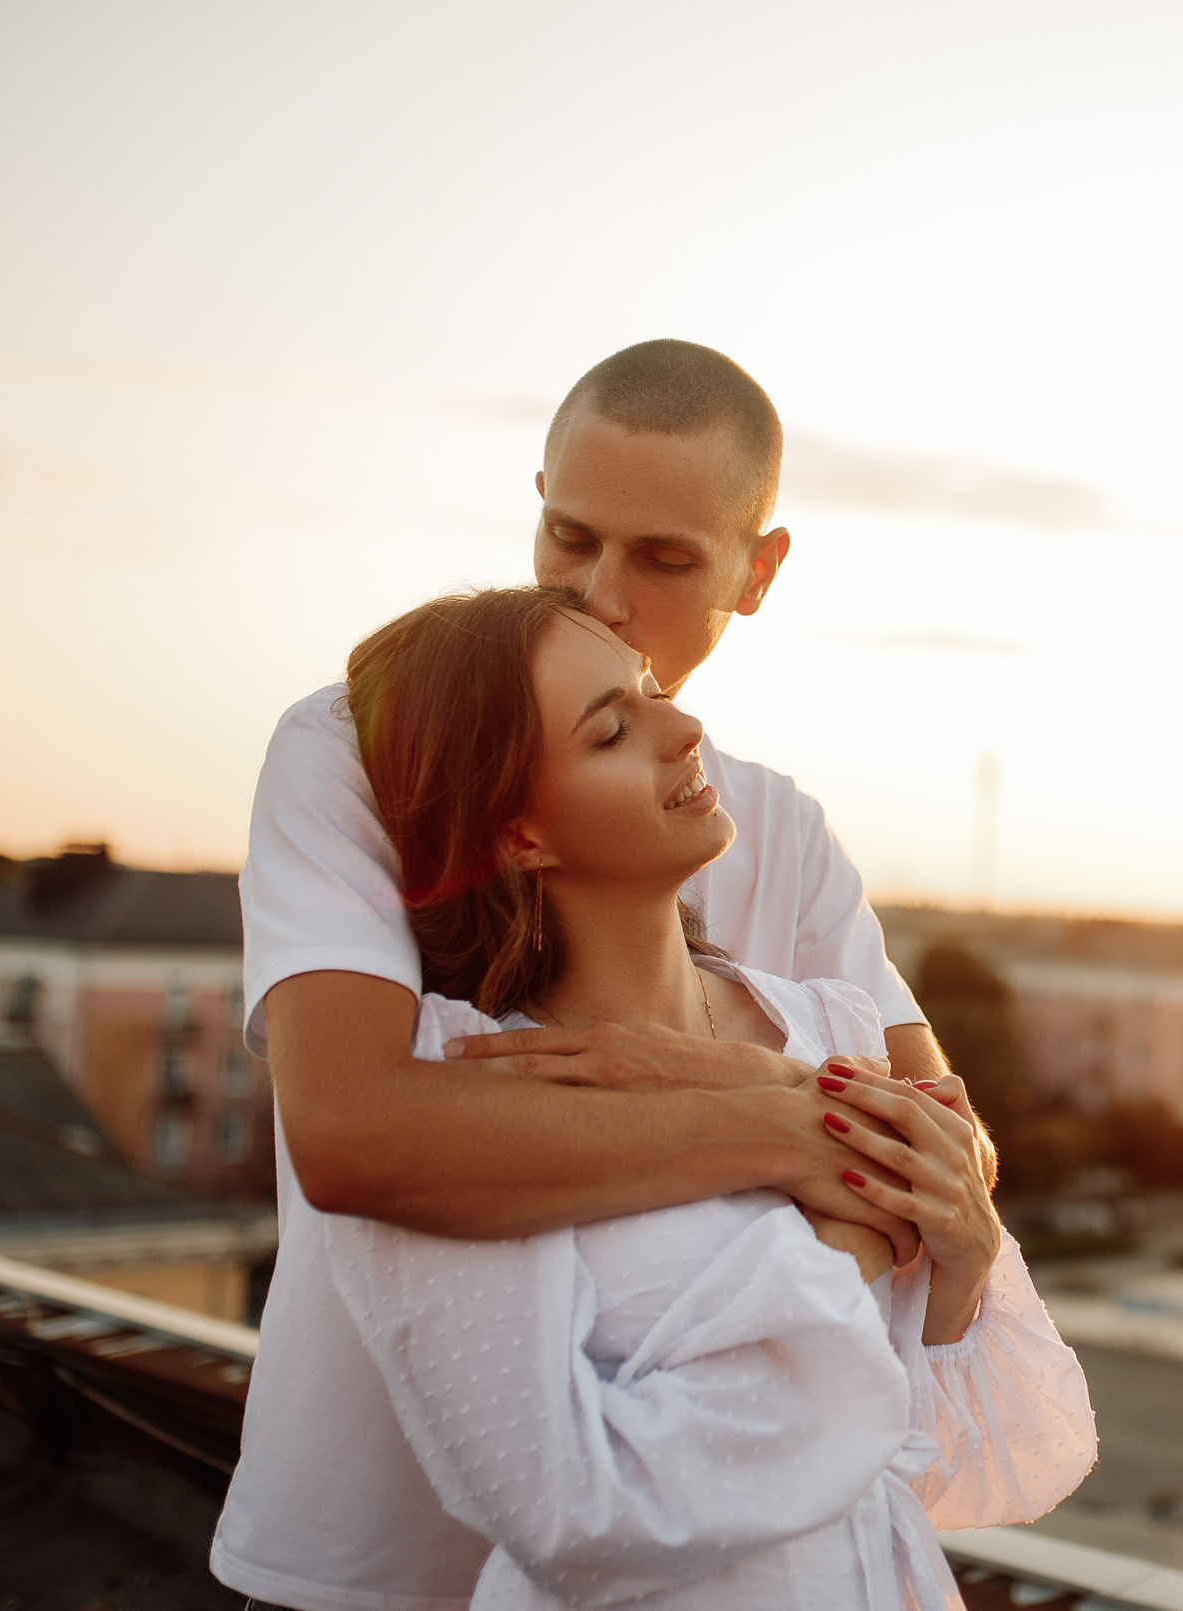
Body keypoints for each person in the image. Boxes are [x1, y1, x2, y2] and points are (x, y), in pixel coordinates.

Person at [212, 343, 981, 1611]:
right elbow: (356, 1132)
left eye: (665, 558)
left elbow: (950, 1162)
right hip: (367, 1558)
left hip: (715, 1563)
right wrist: (779, 1117)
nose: (599, 593)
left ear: (758, 570)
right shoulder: (359, 748)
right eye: (568, 536)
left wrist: (732, 1098)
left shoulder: (775, 830)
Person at [301, 584, 1092, 1609]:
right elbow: (578, 1518)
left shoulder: (834, 1032)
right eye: (611, 729)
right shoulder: (466, 1104)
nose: (683, 727)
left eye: (646, 692)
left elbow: (969, 1460)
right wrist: (852, 1247)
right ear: (517, 834)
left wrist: (964, 1262)